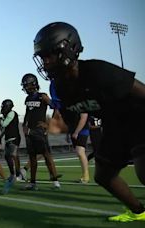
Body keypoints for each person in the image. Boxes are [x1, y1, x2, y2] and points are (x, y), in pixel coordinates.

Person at [33, 21, 145, 222]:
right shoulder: (60, 87)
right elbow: (70, 120)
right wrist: (55, 126)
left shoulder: (97, 71)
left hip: (139, 118)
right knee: (104, 176)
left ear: (69, 49)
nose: (46, 62)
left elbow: (142, 93)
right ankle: (139, 212)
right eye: (42, 57)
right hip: (114, 126)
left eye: (49, 54)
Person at [21, 73, 61, 190]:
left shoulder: (42, 96)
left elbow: (56, 107)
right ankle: (33, 183)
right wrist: (24, 126)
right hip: (29, 131)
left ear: (33, 84)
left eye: (26, 85)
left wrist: (48, 124)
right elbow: (28, 114)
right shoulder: (27, 99)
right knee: (32, 157)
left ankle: (55, 182)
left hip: (39, 130)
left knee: (47, 155)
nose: (25, 88)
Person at [50, 79, 90, 183]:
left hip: (82, 129)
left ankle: (86, 176)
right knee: (79, 152)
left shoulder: (82, 101)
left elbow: (84, 118)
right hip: (74, 129)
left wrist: (76, 132)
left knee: (80, 151)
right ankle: (84, 175)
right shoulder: (69, 103)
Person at [0, 99, 25, 181]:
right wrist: (1, 136)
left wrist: (0, 120)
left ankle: (18, 174)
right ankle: (12, 174)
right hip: (8, 138)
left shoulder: (12, 113)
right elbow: (4, 128)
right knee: (7, 156)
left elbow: (4, 124)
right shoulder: (7, 115)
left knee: (14, 155)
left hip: (14, 137)